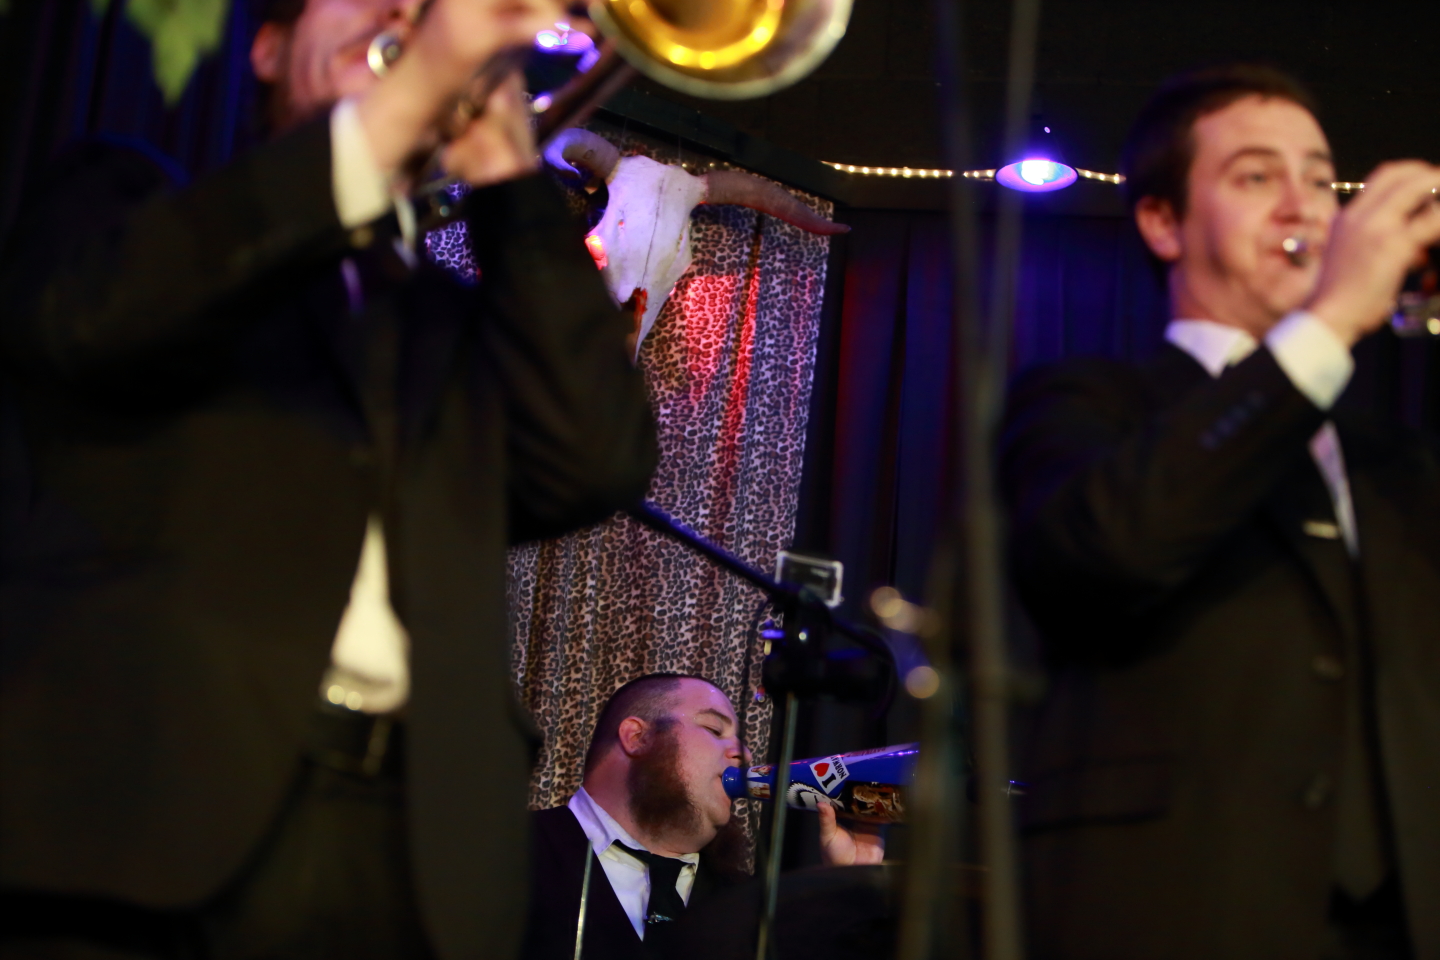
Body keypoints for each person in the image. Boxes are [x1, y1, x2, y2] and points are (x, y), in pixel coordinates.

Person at [0, 0, 657, 957]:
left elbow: (596, 460)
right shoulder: (126, 198)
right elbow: (95, 325)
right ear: (267, 48)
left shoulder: (449, 321)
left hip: (412, 860)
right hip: (143, 815)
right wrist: (407, 97)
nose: (401, 13)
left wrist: (510, 179)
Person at [999, 65, 1440, 960]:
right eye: (1256, 177)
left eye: (1320, 179)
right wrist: (1328, 323)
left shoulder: (1398, 460)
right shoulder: (1083, 403)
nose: (1304, 207)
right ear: (1162, 222)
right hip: (1180, 907)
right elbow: (1107, 547)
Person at [522, 674, 884, 960]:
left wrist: (852, 891)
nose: (744, 753)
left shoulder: (750, 905)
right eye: (714, 729)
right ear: (637, 737)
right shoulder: (508, 852)